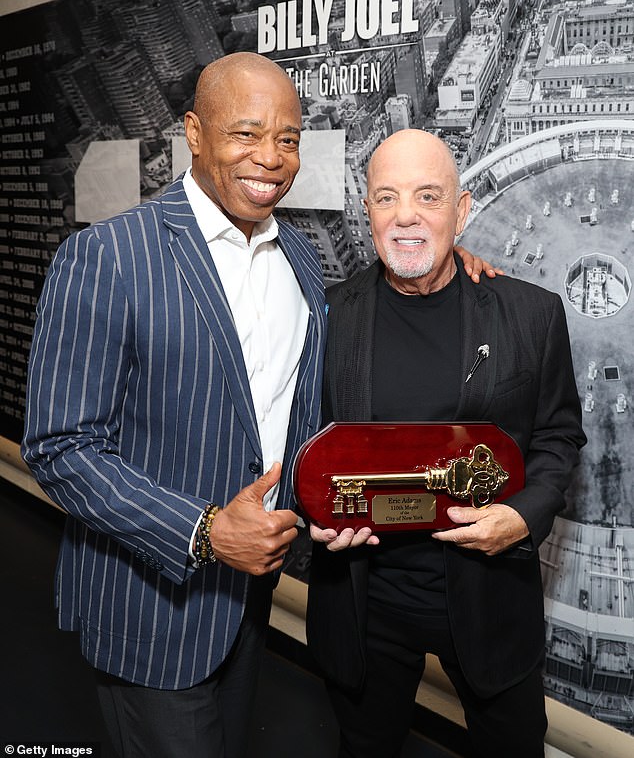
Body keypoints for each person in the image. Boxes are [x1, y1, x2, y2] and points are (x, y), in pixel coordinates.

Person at [21, 54, 492, 758]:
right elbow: (59, 447)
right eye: (245, 133)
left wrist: (457, 265)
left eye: (289, 138)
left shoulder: (299, 261)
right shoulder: (109, 256)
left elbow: (297, 418)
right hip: (151, 609)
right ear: (195, 133)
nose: (270, 158)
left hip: (247, 606)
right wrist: (206, 530)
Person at [307, 129, 586, 758]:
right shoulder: (326, 317)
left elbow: (559, 436)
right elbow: (302, 443)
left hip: (489, 599)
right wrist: (314, 516)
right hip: (365, 602)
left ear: (461, 211)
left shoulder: (533, 314)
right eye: (387, 198)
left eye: (428, 196)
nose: (405, 215)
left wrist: (522, 515)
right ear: (367, 210)